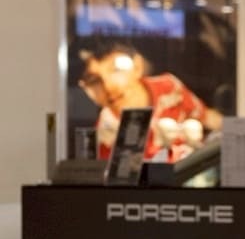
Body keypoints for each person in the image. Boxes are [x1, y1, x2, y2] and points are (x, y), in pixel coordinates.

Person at [80, 44, 221, 161]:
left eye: (116, 71)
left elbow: (208, 117)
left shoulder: (169, 88)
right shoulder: (104, 132)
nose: (108, 86)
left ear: (137, 67)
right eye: (94, 80)